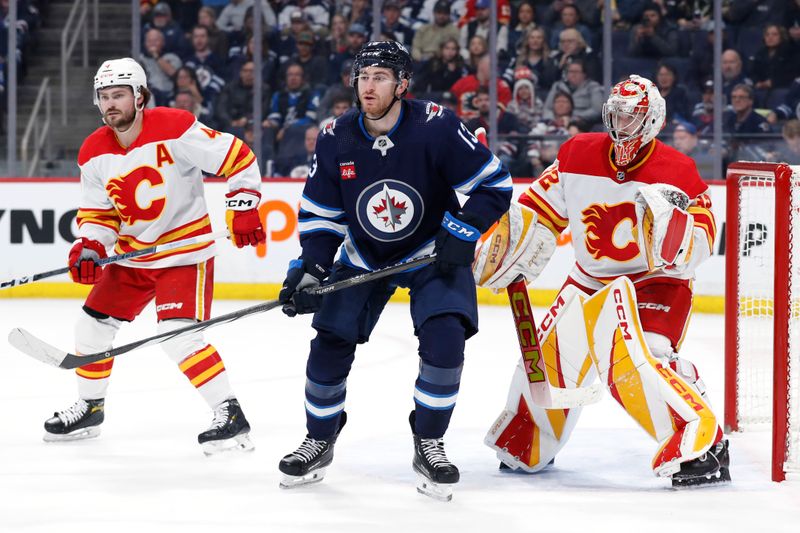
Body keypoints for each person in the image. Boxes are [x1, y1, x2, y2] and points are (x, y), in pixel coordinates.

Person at [276, 41, 512, 501]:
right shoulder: (334, 137)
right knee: (329, 341)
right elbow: (321, 216)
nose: (369, 85)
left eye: (381, 76)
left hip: (430, 250)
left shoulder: (437, 127)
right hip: (365, 253)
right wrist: (310, 269)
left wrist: (462, 233)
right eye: (363, 76)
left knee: (445, 339)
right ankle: (319, 438)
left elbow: (493, 185)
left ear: (402, 85)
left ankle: (429, 442)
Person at [475, 74, 730, 488]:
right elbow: (539, 211)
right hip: (588, 280)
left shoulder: (676, 168)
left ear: (652, 121)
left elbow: (701, 236)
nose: (621, 125)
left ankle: (703, 444)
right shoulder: (578, 153)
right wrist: (506, 239)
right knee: (545, 360)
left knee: (642, 358)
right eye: (617, 115)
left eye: (632, 117)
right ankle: (531, 437)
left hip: (654, 284)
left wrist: (678, 240)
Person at [42, 58, 266, 455]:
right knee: (90, 327)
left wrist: (244, 203)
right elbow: (99, 213)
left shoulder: (175, 126)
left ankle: (229, 413)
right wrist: (92, 244)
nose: (111, 104)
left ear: (139, 96)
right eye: (104, 97)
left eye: (119, 95)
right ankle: (91, 407)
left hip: (183, 252)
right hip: (133, 257)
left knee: (179, 337)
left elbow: (238, 156)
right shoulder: (93, 150)